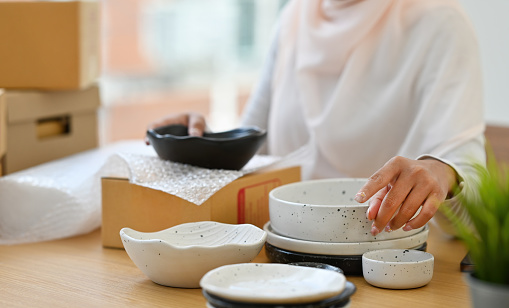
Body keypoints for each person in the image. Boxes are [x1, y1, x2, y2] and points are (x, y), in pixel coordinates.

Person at [147, 0, 486, 236]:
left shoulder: (439, 21)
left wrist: (443, 174)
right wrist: (199, 141)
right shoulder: (295, 14)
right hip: (278, 250)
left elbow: (474, 210)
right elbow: (253, 148)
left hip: (381, 259)